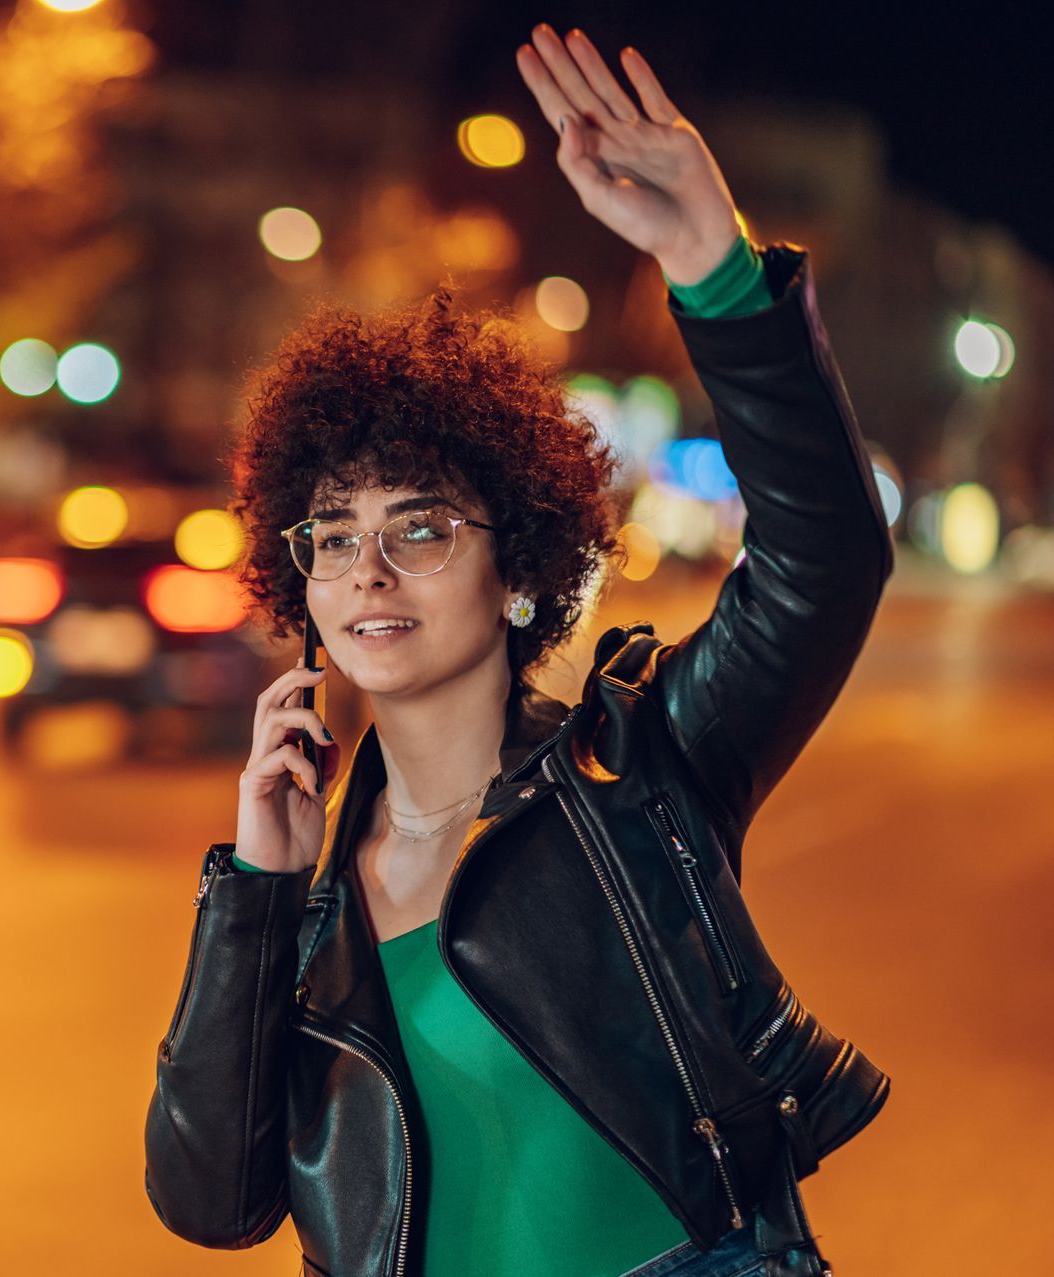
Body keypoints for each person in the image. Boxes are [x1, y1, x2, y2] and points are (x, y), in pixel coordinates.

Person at [143, 24, 892, 1277]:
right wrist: (256, 892)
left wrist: (710, 264)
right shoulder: (312, 906)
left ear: (520, 565)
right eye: (331, 536)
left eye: (420, 527)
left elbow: (826, 559)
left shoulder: (643, 773)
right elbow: (210, 1200)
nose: (366, 571)